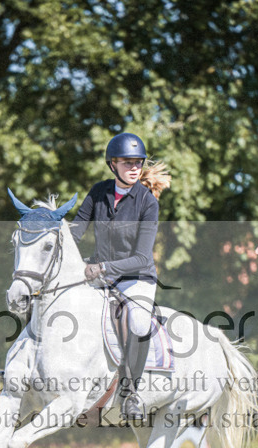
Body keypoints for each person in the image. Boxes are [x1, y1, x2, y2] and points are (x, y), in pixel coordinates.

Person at [70, 132, 169, 421]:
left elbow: (141, 257)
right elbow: (76, 232)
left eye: (138, 162)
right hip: (100, 277)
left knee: (136, 319)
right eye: (127, 163)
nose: (134, 167)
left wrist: (101, 268)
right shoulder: (98, 192)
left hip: (136, 278)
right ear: (112, 164)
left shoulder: (147, 203)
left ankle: (131, 392)